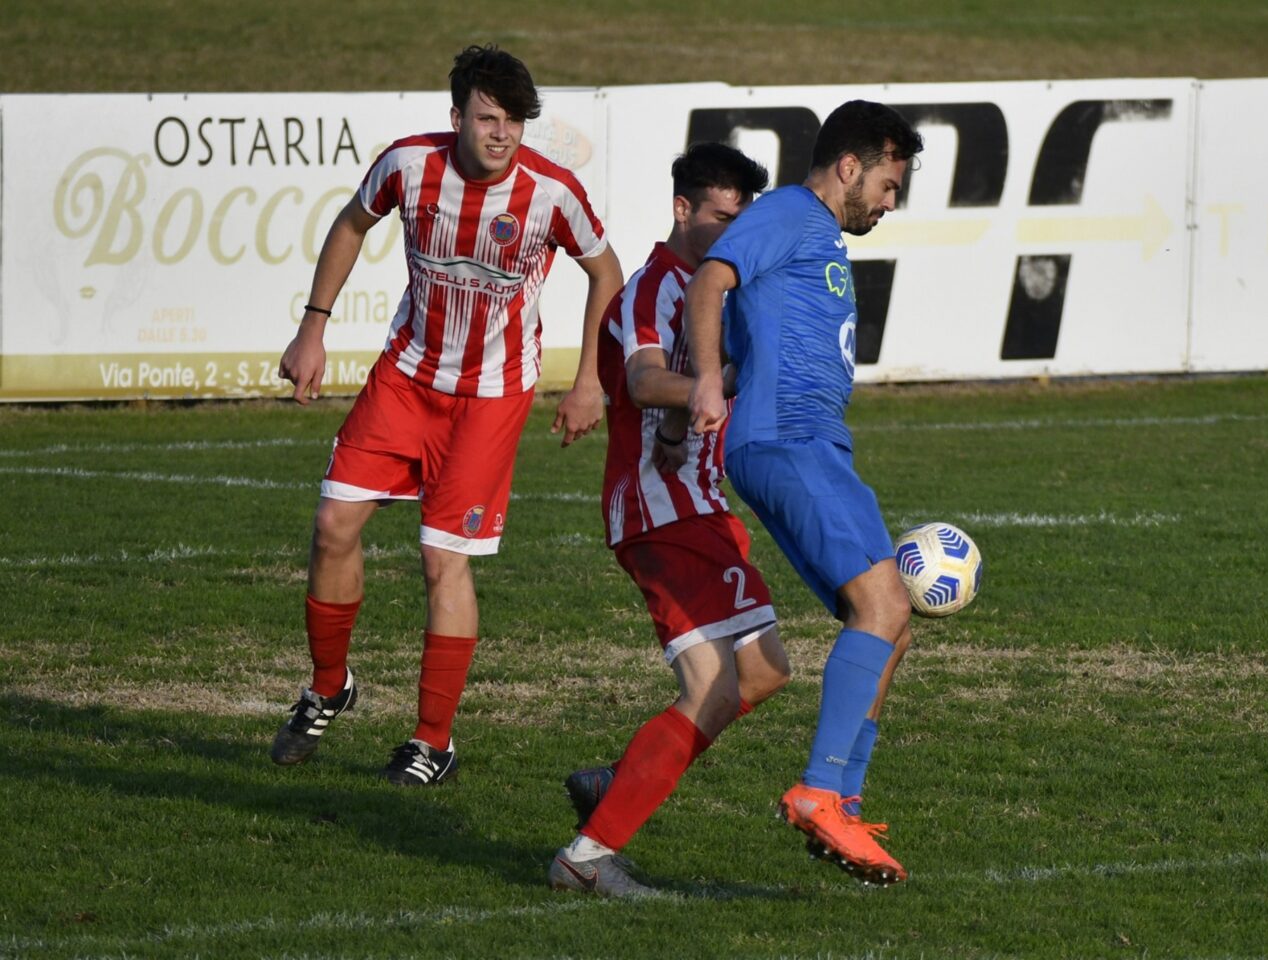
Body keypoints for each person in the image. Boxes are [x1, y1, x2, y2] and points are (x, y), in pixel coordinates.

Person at [269, 44, 623, 786]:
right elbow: (349, 224)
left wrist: (590, 377)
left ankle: (434, 741)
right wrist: (313, 327)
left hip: (491, 399)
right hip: (404, 379)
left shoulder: (552, 192)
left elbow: (605, 270)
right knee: (333, 526)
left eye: (516, 122)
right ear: (456, 114)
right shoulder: (407, 165)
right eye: (489, 118)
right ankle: (328, 686)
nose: (503, 135)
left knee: (442, 561)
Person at [685, 100, 924, 885]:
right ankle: (820, 791)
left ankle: (842, 804)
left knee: (891, 625)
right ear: (851, 166)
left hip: (818, 443)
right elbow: (711, 278)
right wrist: (710, 383)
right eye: (889, 185)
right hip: (785, 437)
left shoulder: (817, 234)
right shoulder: (789, 211)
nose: (890, 204)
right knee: (882, 608)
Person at [546, 143, 788, 898]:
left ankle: (621, 781)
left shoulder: (718, 289)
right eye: (723, 215)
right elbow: (647, 379)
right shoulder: (654, 287)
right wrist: (700, 393)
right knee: (714, 685)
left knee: (764, 671)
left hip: (702, 505)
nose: (734, 229)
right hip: (660, 508)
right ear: (683, 209)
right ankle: (585, 861)